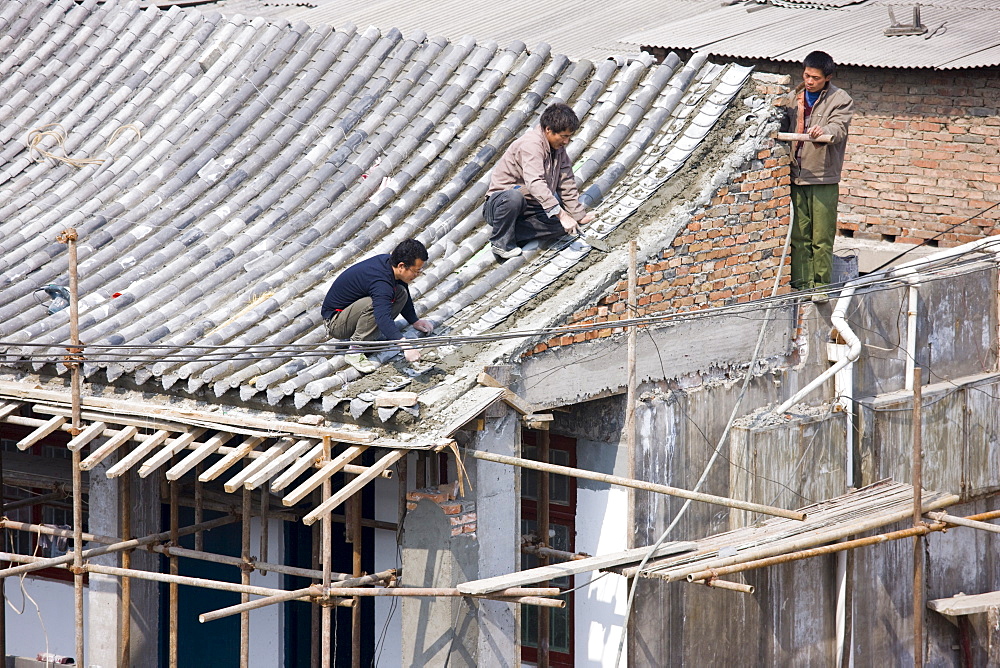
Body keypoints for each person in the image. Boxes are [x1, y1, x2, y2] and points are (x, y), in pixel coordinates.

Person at [779, 50, 854, 303]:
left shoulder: (840, 99)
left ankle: (820, 286)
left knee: (821, 236)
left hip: (822, 177)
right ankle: (801, 285)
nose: (809, 81)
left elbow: (839, 128)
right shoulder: (793, 98)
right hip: (796, 174)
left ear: (827, 78)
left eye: (815, 77)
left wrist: (825, 129)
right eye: (806, 75)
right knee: (799, 235)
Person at [484, 103, 596, 259]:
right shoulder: (531, 145)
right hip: (502, 205)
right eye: (564, 136)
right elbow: (535, 182)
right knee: (514, 198)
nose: (566, 141)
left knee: (567, 227)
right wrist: (562, 215)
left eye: (569, 137)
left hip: (533, 207)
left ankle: (512, 233)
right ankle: (501, 242)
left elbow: (566, 181)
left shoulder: (558, 148)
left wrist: (577, 214)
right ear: (548, 129)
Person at [321, 239, 434, 373]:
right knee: (373, 304)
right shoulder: (381, 282)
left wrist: (414, 320)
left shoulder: (390, 265)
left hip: (351, 314)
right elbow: (382, 317)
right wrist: (406, 347)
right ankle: (355, 350)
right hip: (335, 323)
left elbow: (404, 293)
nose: (417, 275)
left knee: (401, 293)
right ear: (402, 266)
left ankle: (369, 335)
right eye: (415, 271)